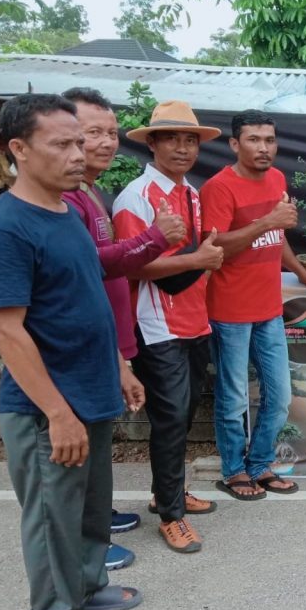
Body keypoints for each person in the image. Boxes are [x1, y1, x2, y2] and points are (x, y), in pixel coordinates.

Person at [0, 93, 143, 610]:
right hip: (46, 405)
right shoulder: (6, 225)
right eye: (64, 144)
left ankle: (87, 586)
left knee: (90, 505)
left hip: (93, 389)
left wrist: (119, 367)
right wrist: (56, 411)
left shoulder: (66, 208)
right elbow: (5, 330)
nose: (81, 154)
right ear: (19, 150)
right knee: (52, 514)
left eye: (81, 141)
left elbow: (86, 296)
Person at [61, 86, 187, 571]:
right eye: (92, 132)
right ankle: (83, 544)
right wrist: (158, 240)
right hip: (86, 344)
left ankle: (96, 518)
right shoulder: (67, 199)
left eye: (111, 133)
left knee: (97, 442)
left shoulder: (94, 192)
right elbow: (91, 267)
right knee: (76, 450)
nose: (105, 142)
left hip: (110, 338)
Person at [200, 109, 306, 500]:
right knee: (233, 400)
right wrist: (267, 221)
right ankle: (234, 471)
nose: (263, 147)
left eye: (269, 139)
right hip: (229, 311)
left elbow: (277, 238)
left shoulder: (278, 179)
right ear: (234, 144)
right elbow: (213, 248)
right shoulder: (219, 187)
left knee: (280, 398)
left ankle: (260, 464)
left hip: (269, 308)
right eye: (253, 139)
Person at [112, 100, 225, 553]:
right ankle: (171, 515)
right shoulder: (135, 198)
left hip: (194, 319)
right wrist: (199, 259)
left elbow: (191, 260)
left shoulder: (192, 194)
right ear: (152, 143)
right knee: (170, 419)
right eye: (172, 138)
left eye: (190, 140)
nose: (182, 148)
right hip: (158, 326)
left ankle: (169, 493)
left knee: (182, 414)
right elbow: (127, 266)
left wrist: (200, 261)